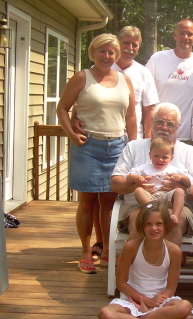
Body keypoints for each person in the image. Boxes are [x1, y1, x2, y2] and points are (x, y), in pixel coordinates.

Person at [56, 33, 136, 273]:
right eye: (102, 51)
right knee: (87, 202)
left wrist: (133, 148)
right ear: (93, 52)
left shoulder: (125, 80)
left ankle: (108, 252)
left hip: (117, 148)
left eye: (112, 52)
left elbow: (131, 117)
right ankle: (84, 250)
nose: (107, 56)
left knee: (110, 203)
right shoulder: (82, 77)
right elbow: (61, 108)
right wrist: (71, 133)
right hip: (88, 147)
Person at [111, 102, 193, 248]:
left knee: (173, 222)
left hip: (177, 207)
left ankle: (169, 269)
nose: (164, 127)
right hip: (137, 206)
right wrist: (135, 185)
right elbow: (115, 183)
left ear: (178, 127)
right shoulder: (133, 147)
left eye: (171, 124)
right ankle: (135, 268)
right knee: (142, 221)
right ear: (151, 122)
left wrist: (182, 188)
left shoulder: (189, 151)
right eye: (159, 121)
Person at [98, 201, 193, 319]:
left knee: (185, 307)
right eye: (148, 224)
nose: (153, 228)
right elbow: (120, 282)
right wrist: (146, 300)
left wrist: (155, 302)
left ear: (166, 225)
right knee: (105, 314)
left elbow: (171, 288)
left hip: (161, 302)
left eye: (158, 224)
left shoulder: (174, 251)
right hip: (132, 300)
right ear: (142, 226)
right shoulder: (131, 247)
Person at [146, 19, 193, 142]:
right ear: (175, 35)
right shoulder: (158, 59)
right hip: (158, 134)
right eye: (182, 33)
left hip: (185, 136)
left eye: (190, 34)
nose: (186, 37)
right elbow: (144, 94)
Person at [129, 137, 192, 224]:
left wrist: (180, 177)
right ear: (150, 155)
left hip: (167, 197)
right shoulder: (144, 167)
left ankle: (176, 215)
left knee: (180, 191)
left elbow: (189, 182)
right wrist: (136, 178)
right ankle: (153, 211)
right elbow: (128, 178)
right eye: (156, 156)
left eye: (165, 157)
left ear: (171, 158)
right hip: (151, 198)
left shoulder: (174, 170)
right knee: (138, 190)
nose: (160, 160)